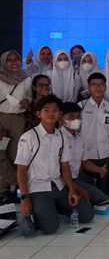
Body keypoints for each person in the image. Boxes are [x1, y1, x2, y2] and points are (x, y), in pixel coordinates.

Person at [15, 95, 93, 234]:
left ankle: (53, 208)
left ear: (60, 114)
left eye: (55, 110)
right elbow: (21, 170)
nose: (51, 113)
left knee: (87, 215)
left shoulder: (61, 136)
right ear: (38, 114)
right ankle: (42, 210)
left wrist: (72, 189)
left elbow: (65, 166)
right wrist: (25, 199)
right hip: (38, 188)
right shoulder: (28, 137)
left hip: (59, 185)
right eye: (46, 110)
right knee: (50, 228)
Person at [78, 73, 109, 195]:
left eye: (101, 84)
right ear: (89, 88)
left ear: (105, 87)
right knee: (88, 190)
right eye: (94, 85)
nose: (98, 87)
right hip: (86, 155)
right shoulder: (80, 107)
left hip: (106, 154)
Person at [60, 102, 108, 205]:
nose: (75, 120)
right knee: (86, 204)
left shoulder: (80, 138)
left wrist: (100, 170)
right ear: (61, 118)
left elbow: (85, 162)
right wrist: (73, 187)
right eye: (71, 117)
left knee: (102, 198)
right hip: (61, 181)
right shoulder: (58, 137)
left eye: (78, 117)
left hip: (76, 179)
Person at [0, 50, 32, 196]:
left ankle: (11, 190)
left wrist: (27, 101)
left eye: (16, 59)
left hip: (18, 120)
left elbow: (29, 97)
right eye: (10, 60)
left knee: (14, 154)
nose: (14, 63)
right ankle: (6, 187)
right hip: (2, 119)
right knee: (1, 153)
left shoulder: (26, 78)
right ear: (4, 62)